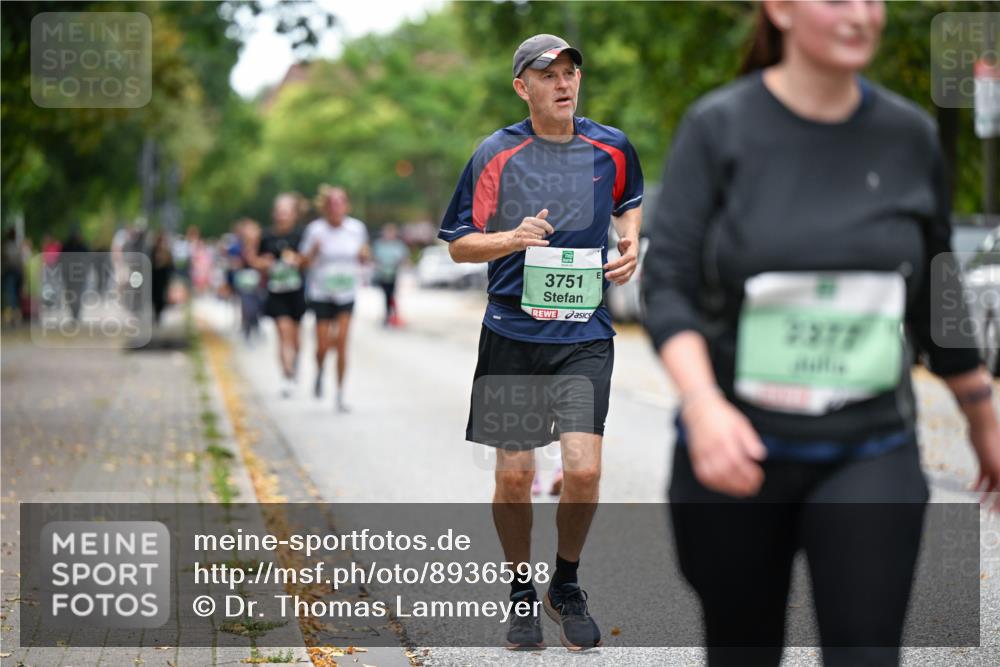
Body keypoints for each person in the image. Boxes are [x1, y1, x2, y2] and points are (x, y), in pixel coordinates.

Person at [641, 3, 1000, 666]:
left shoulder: (908, 136)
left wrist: (981, 412)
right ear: (779, 9)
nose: (862, 14)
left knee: (866, 650)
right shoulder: (718, 129)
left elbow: (934, 290)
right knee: (741, 648)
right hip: (736, 448)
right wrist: (703, 404)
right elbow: (668, 286)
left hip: (869, 444)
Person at [439, 34, 643, 650]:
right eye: (548, 73)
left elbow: (628, 202)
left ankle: (567, 582)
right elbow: (457, 242)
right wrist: (510, 238)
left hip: (584, 332)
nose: (564, 81)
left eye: (572, 70)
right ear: (521, 86)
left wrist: (629, 239)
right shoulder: (495, 154)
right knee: (513, 476)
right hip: (512, 332)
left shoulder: (611, 146)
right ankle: (521, 591)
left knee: (584, 469)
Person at [300, 185, 370, 411]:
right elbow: (303, 263)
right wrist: (313, 252)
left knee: (341, 342)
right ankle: (320, 370)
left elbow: (364, 258)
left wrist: (363, 257)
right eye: (331, 203)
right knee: (321, 346)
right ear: (325, 207)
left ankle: (340, 394)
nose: (336, 207)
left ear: (346, 206)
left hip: (346, 293)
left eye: (340, 202)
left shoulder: (356, 229)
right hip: (321, 292)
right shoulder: (315, 230)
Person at [246, 193, 307, 398]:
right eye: (280, 212)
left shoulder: (301, 235)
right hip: (276, 291)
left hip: (297, 291)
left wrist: (297, 260)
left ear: (293, 215)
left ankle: (295, 362)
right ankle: (286, 376)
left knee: (296, 338)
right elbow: (253, 259)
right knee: (282, 332)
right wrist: (265, 263)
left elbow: (309, 260)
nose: (283, 216)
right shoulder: (266, 236)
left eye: (287, 213)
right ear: (274, 214)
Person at [371, 223, 408, 327]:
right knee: (386, 295)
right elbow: (374, 257)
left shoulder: (398, 245)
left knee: (391, 295)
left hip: (393, 274)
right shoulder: (379, 244)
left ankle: (392, 316)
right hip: (382, 274)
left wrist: (398, 263)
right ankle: (389, 315)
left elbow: (404, 258)